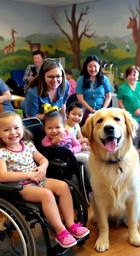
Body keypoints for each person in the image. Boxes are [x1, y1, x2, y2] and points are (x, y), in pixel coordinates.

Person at [0, 111, 90, 248]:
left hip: (38, 179)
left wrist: (42, 167)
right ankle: (61, 232)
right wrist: (28, 175)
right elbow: (2, 176)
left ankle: (71, 224)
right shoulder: (2, 152)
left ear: (22, 129)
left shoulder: (28, 145)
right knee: (47, 194)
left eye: (16, 128)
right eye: (6, 130)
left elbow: (42, 159)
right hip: (20, 187)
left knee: (63, 186)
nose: (13, 132)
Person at [76, 55, 112, 119]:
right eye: (90, 66)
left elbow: (108, 96)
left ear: (99, 66)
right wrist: (92, 110)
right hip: (86, 111)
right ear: (86, 67)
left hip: (103, 110)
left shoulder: (104, 79)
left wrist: (103, 109)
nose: (93, 69)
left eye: (95, 66)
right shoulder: (81, 79)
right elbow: (80, 98)